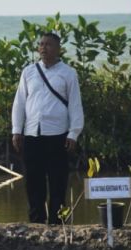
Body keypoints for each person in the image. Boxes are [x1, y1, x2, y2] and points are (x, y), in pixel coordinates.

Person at [11, 32, 84, 224]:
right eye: (41, 44)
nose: (43, 48)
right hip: (32, 133)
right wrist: (16, 130)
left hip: (58, 135)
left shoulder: (68, 73)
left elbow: (75, 105)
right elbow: (19, 102)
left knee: (58, 181)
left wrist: (74, 133)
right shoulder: (28, 72)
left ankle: (57, 222)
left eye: (48, 44)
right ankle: (36, 221)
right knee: (33, 182)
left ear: (58, 49)